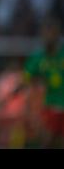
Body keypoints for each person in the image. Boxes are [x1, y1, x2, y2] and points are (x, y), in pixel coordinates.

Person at [24, 17, 64, 148]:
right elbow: (25, 80)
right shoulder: (38, 57)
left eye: (51, 32)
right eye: (45, 33)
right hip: (50, 107)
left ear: (58, 34)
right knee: (47, 142)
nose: (47, 36)